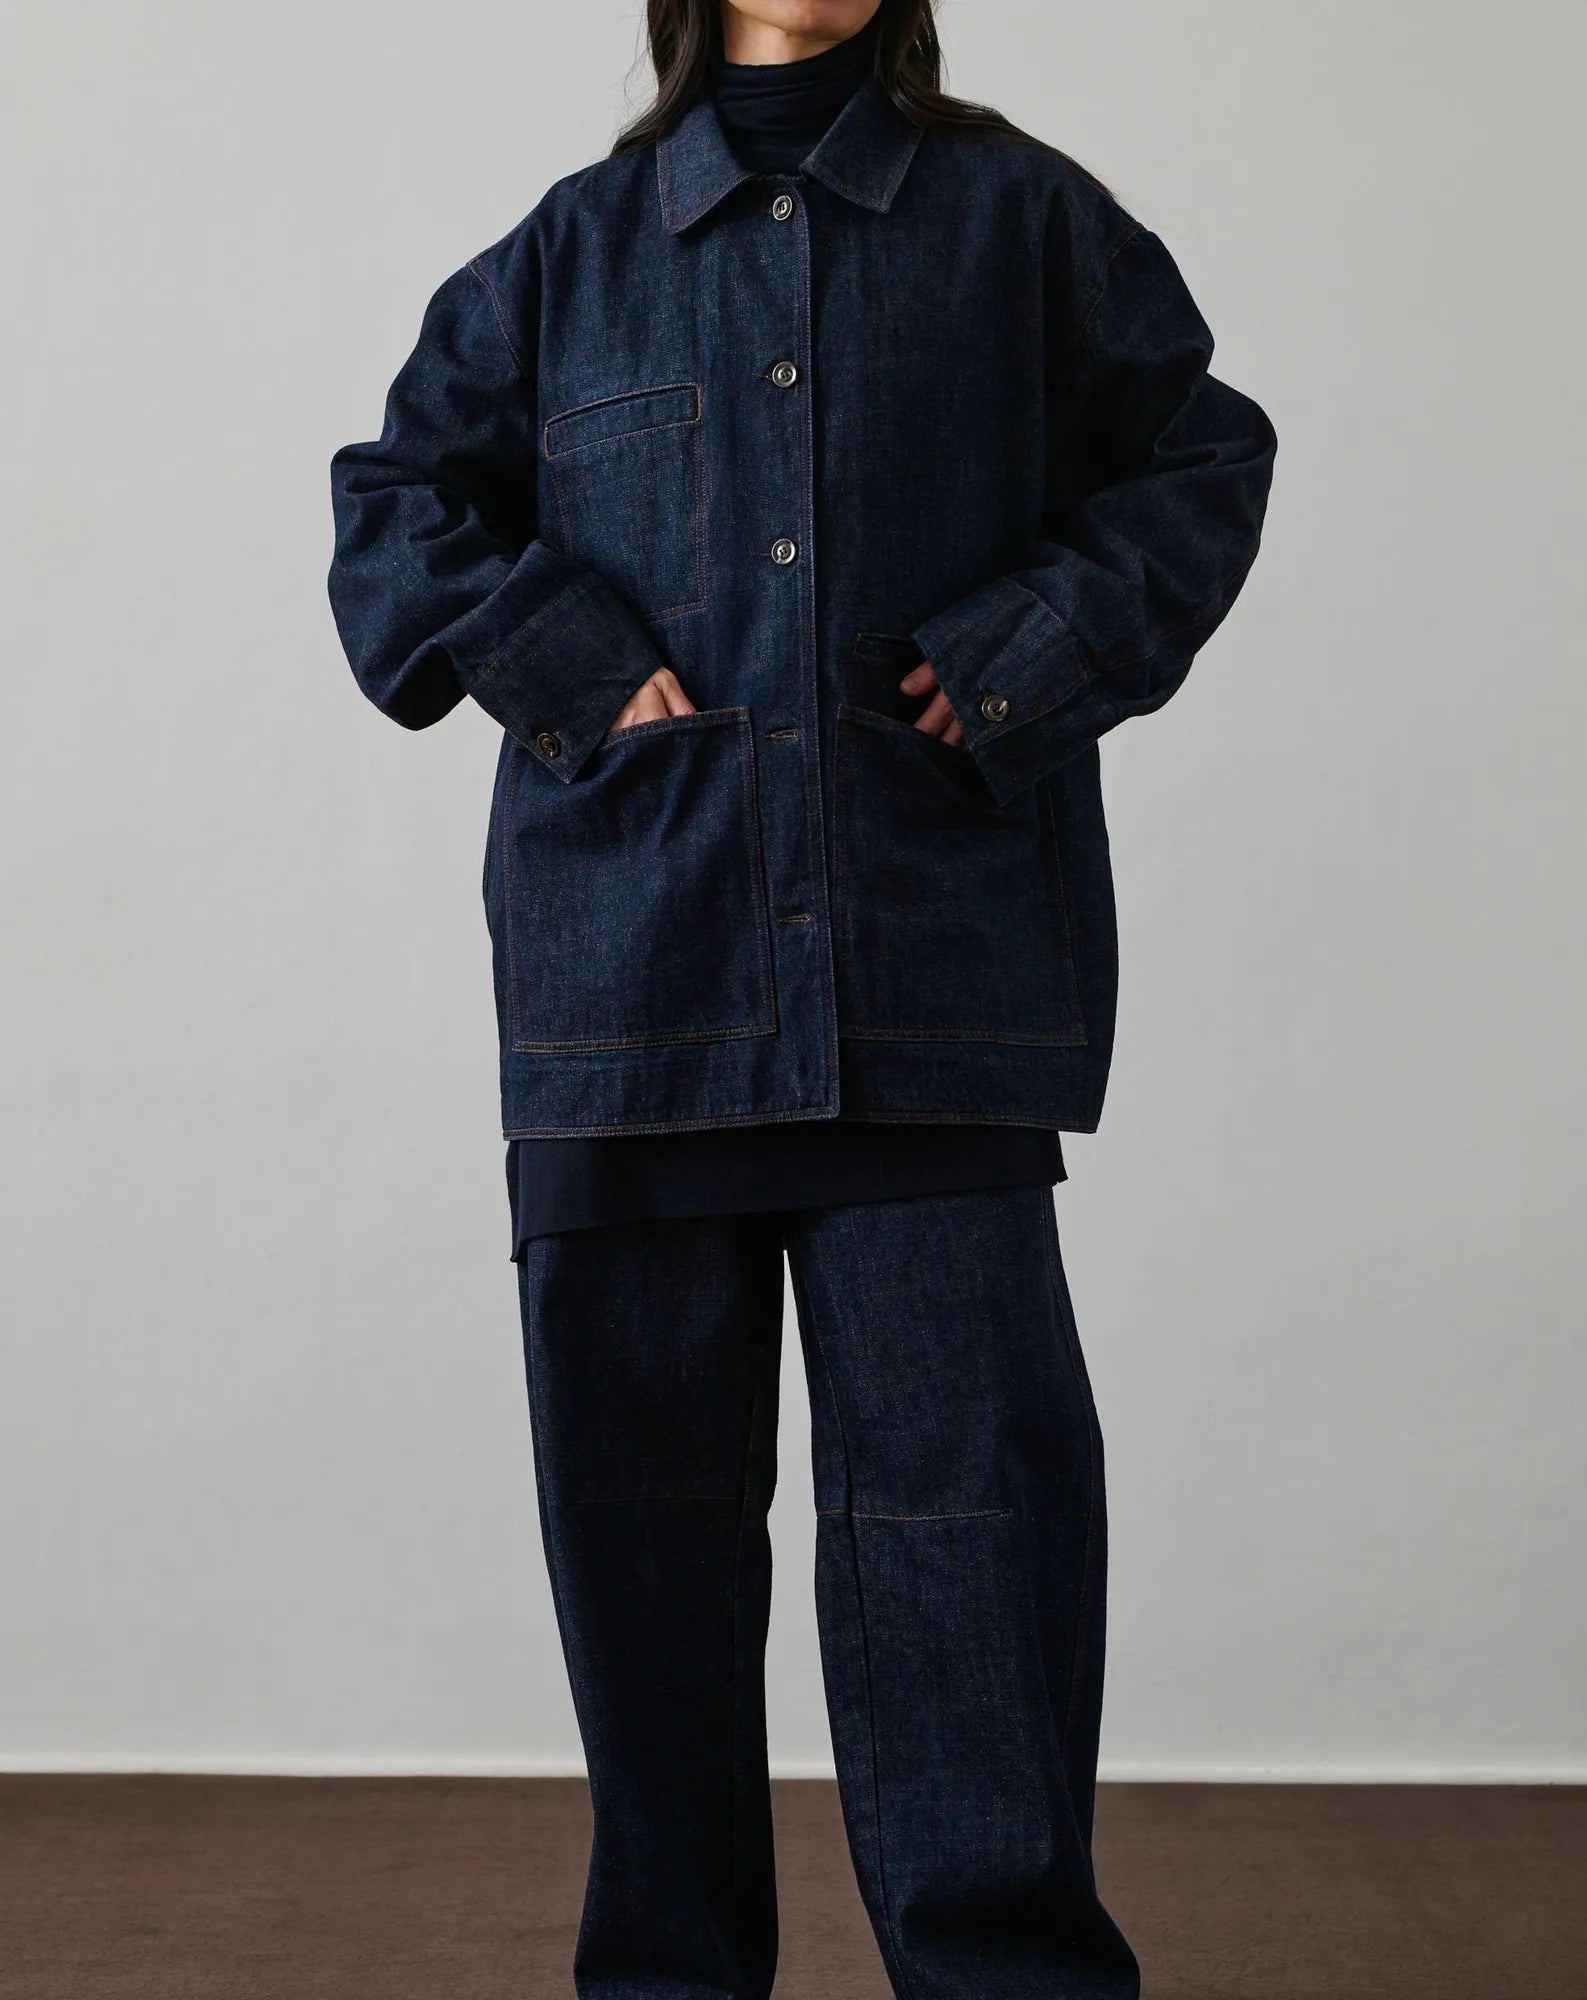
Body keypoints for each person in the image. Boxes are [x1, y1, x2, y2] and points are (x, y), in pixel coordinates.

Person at [326, 1, 1277, 1992]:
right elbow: (395, 510)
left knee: (972, 1551)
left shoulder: (1021, 220)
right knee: (646, 1568)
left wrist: (1028, 650)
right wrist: (573, 660)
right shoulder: (571, 251)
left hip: (931, 986)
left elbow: (1198, 455)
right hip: (631, 994)